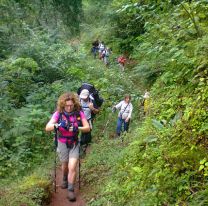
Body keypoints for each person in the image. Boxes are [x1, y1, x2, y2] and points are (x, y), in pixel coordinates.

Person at [45, 92, 90, 202]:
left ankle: (70, 190)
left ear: (74, 104)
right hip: (62, 143)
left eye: (71, 105)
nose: (69, 108)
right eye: (67, 105)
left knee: (72, 166)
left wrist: (77, 128)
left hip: (74, 142)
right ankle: (64, 178)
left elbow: (87, 128)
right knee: (64, 165)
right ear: (62, 105)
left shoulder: (79, 113)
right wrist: (58, 125)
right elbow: (47, 127)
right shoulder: (58, 114)